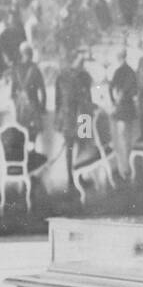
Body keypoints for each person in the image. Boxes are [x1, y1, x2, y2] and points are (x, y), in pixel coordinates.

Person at [54, 48, 94, 190]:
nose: (82, 62)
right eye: (80, 60)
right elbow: (87, 98)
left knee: (76, 148)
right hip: (78, 116)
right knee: (76, 147)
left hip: (73, 116)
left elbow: (57, 101)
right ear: (73, 60)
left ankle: (75, 178)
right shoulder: (83, 76)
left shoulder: (62, 76)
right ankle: (74, 178)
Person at [107, 47, 138, 180]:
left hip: (121, 108)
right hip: (129, 107)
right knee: (128, 137)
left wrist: (113, 101)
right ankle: (128, 165)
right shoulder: (131, 71)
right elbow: (135, 91)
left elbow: (110, 88)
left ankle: (124, 167)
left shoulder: (118, 71)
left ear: (118, 58)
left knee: (120, 137)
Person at [10, 43, 47, 136]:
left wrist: (16, 104)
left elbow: (12, 92)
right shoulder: (35, 69)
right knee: (33, 133)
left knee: (21, 132)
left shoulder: (15, 68)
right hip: (33, 104)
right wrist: (43, 107)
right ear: (31, 54)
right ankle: (32, 148)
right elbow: (43, 91)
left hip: (21, 107)